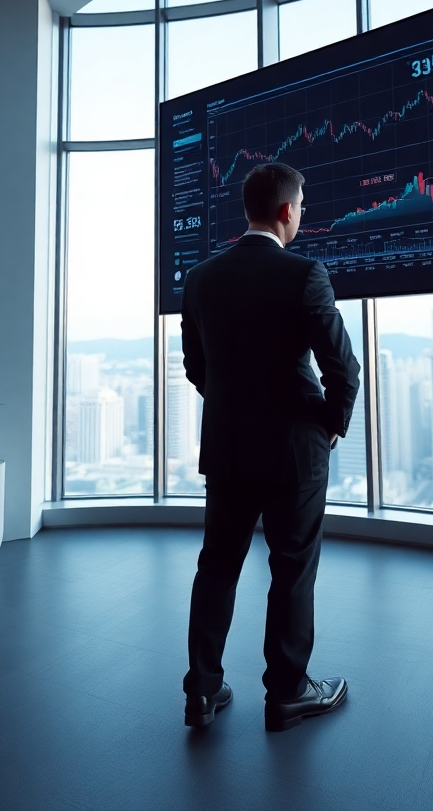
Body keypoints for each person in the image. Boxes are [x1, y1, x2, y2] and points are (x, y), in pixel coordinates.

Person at [180, 162, 361, 732]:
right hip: (293, 451)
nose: (301, 214)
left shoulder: (201, 277)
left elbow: (195, 367)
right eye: (302, 205)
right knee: (291, 570)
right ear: (287, 211)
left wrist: (235, 406)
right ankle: (286, 692)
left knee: (217, 567)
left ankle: (203, 693)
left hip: (229, 446)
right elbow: (344, 369)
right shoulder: (305, 272)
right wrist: (330, 423)